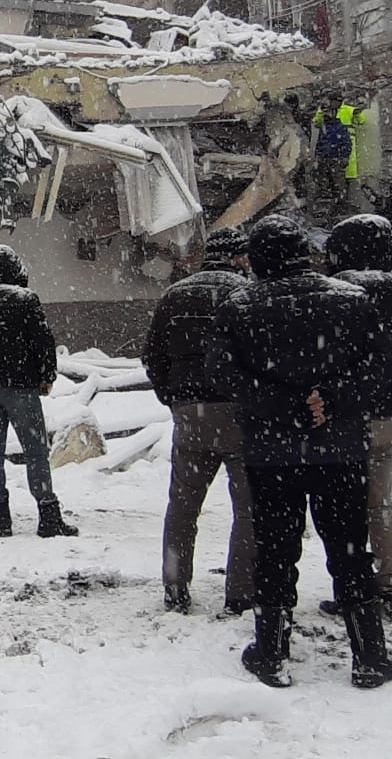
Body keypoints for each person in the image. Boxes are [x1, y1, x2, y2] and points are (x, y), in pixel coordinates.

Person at [205, 215, 392, 689]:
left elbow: (220, 372)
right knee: (350, 549)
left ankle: (271, 652)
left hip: (272, 453)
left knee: (274, 550)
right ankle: (369, 652)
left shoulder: (238, 307)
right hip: (339, 450)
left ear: (256, 259)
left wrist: (281, 405)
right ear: (304, 252)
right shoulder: (352, 302)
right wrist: (333, 399)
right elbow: (385, 365)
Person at [142, 226, 257, 616]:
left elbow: (152, 356)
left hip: (190, 415)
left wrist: (173, 398)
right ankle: (240, 592)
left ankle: (175, 586)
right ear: (240, 257)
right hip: (241, 414)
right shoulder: (246, 296)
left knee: (183, 505)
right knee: (248, 509)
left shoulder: (175, 295)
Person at [322, 213, 392, 622]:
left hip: (343, 413)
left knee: (343, 506)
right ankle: (390, 582)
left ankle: (354, 586)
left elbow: (328, 352)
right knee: (380, 501)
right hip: (386, 412)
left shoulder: (338, 290)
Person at [0, 244, 78, 539]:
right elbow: (43, 341)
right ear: (14, 269)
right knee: (35, 452)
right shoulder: (25, 300)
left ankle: (0, 519)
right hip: (21, 388)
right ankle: (48, 516)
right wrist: (46, 376)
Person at [311, 98, 365, 223]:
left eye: (327, 111)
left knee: (339, 185)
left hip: (336, 160)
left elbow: (346, 144)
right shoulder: (324, 127)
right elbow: (320, 143)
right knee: (324, 185)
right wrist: (318, 157)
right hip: (325, 160)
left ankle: (339, 210)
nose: (326, 114)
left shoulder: (340, 126)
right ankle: (326, 211)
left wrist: (344, 157)